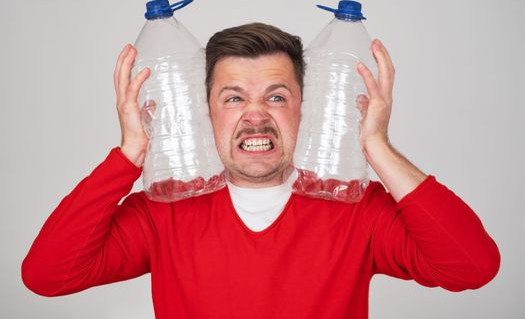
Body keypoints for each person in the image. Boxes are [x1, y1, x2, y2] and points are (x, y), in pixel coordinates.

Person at [22, 23, 500, 318]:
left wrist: (375, 145)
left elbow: (473, 267)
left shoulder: (356, 207)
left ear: (304, 110)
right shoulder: (162, 211)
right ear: (204, 112)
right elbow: (48, 275)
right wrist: (129, 153)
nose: (256, 114)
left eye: (276, 96)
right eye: (233, 98)